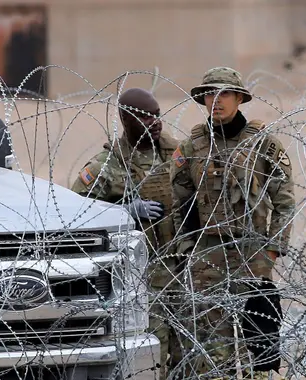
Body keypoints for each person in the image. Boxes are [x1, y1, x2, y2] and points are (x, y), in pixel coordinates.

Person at [169, 67, 296, 378]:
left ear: (239, 98)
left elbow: (284, 201)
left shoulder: (263, 145)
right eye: (210, 94)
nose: (216, 100)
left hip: (252, 252)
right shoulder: (191, 148)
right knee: (214, 350)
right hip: (208, 255)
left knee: (258, 346)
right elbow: (180, 202)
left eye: (224, 93)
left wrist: (273, 250)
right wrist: (188, 247)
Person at [70, 87, 183, 379]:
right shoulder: (106, 166)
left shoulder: (179, 156)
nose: (155, 122)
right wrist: (125, 212)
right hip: (139, 275)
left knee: (189, 351)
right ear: (126, 118)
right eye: (146, 118)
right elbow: (74, 214)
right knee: (152, 350)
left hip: (183, 266)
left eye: (158, 116)